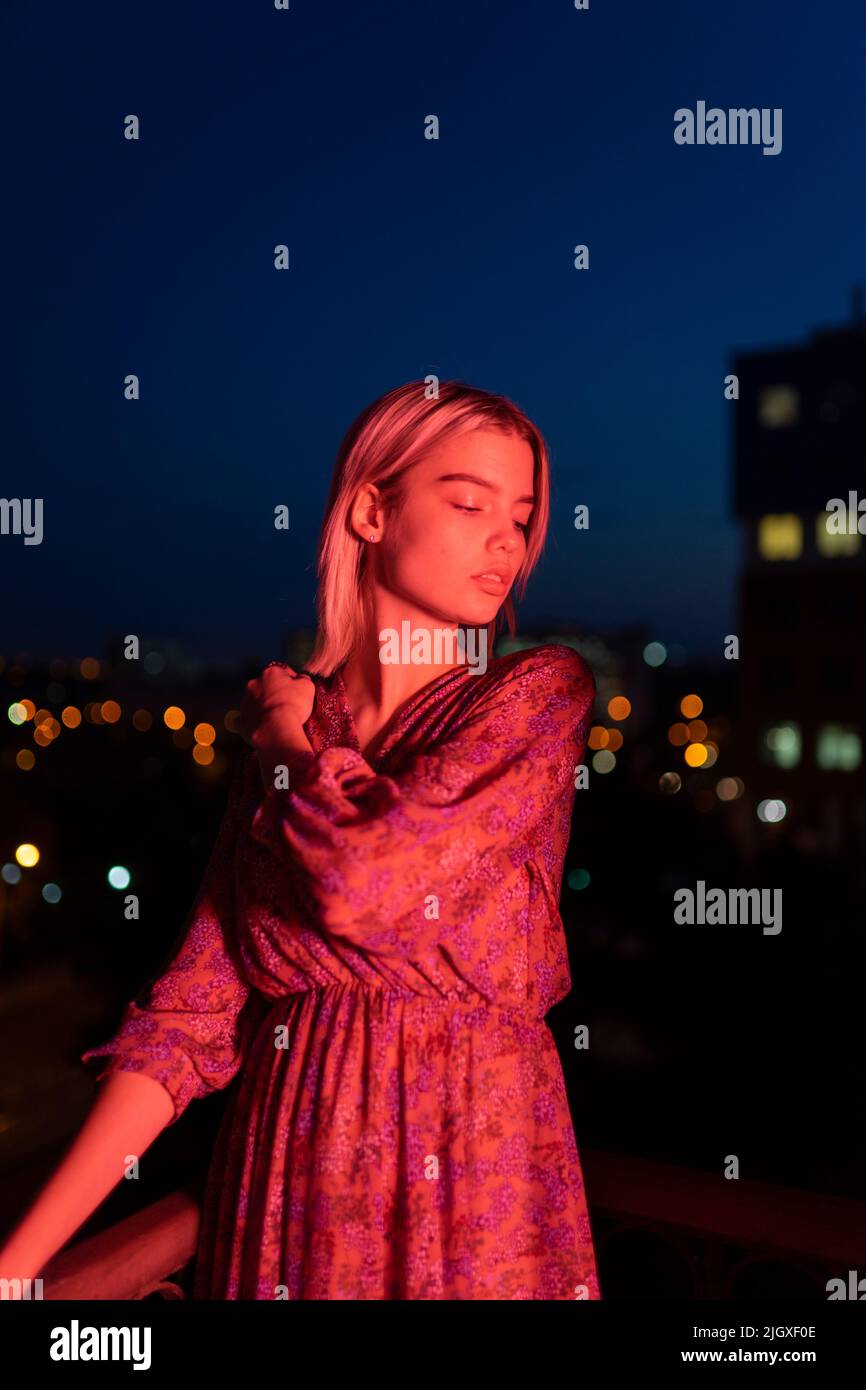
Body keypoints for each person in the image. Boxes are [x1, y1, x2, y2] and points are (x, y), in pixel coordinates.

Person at [0, 379, 600, 1299]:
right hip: (287, 1174)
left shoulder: (533, 698)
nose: (507, 542)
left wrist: (288, 741)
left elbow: (367, 881)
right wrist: (18, 1263)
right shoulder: (287, 751)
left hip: (476, 1170)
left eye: (521, 516)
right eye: (470, 503)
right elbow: (189, 1018)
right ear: (370, 509)